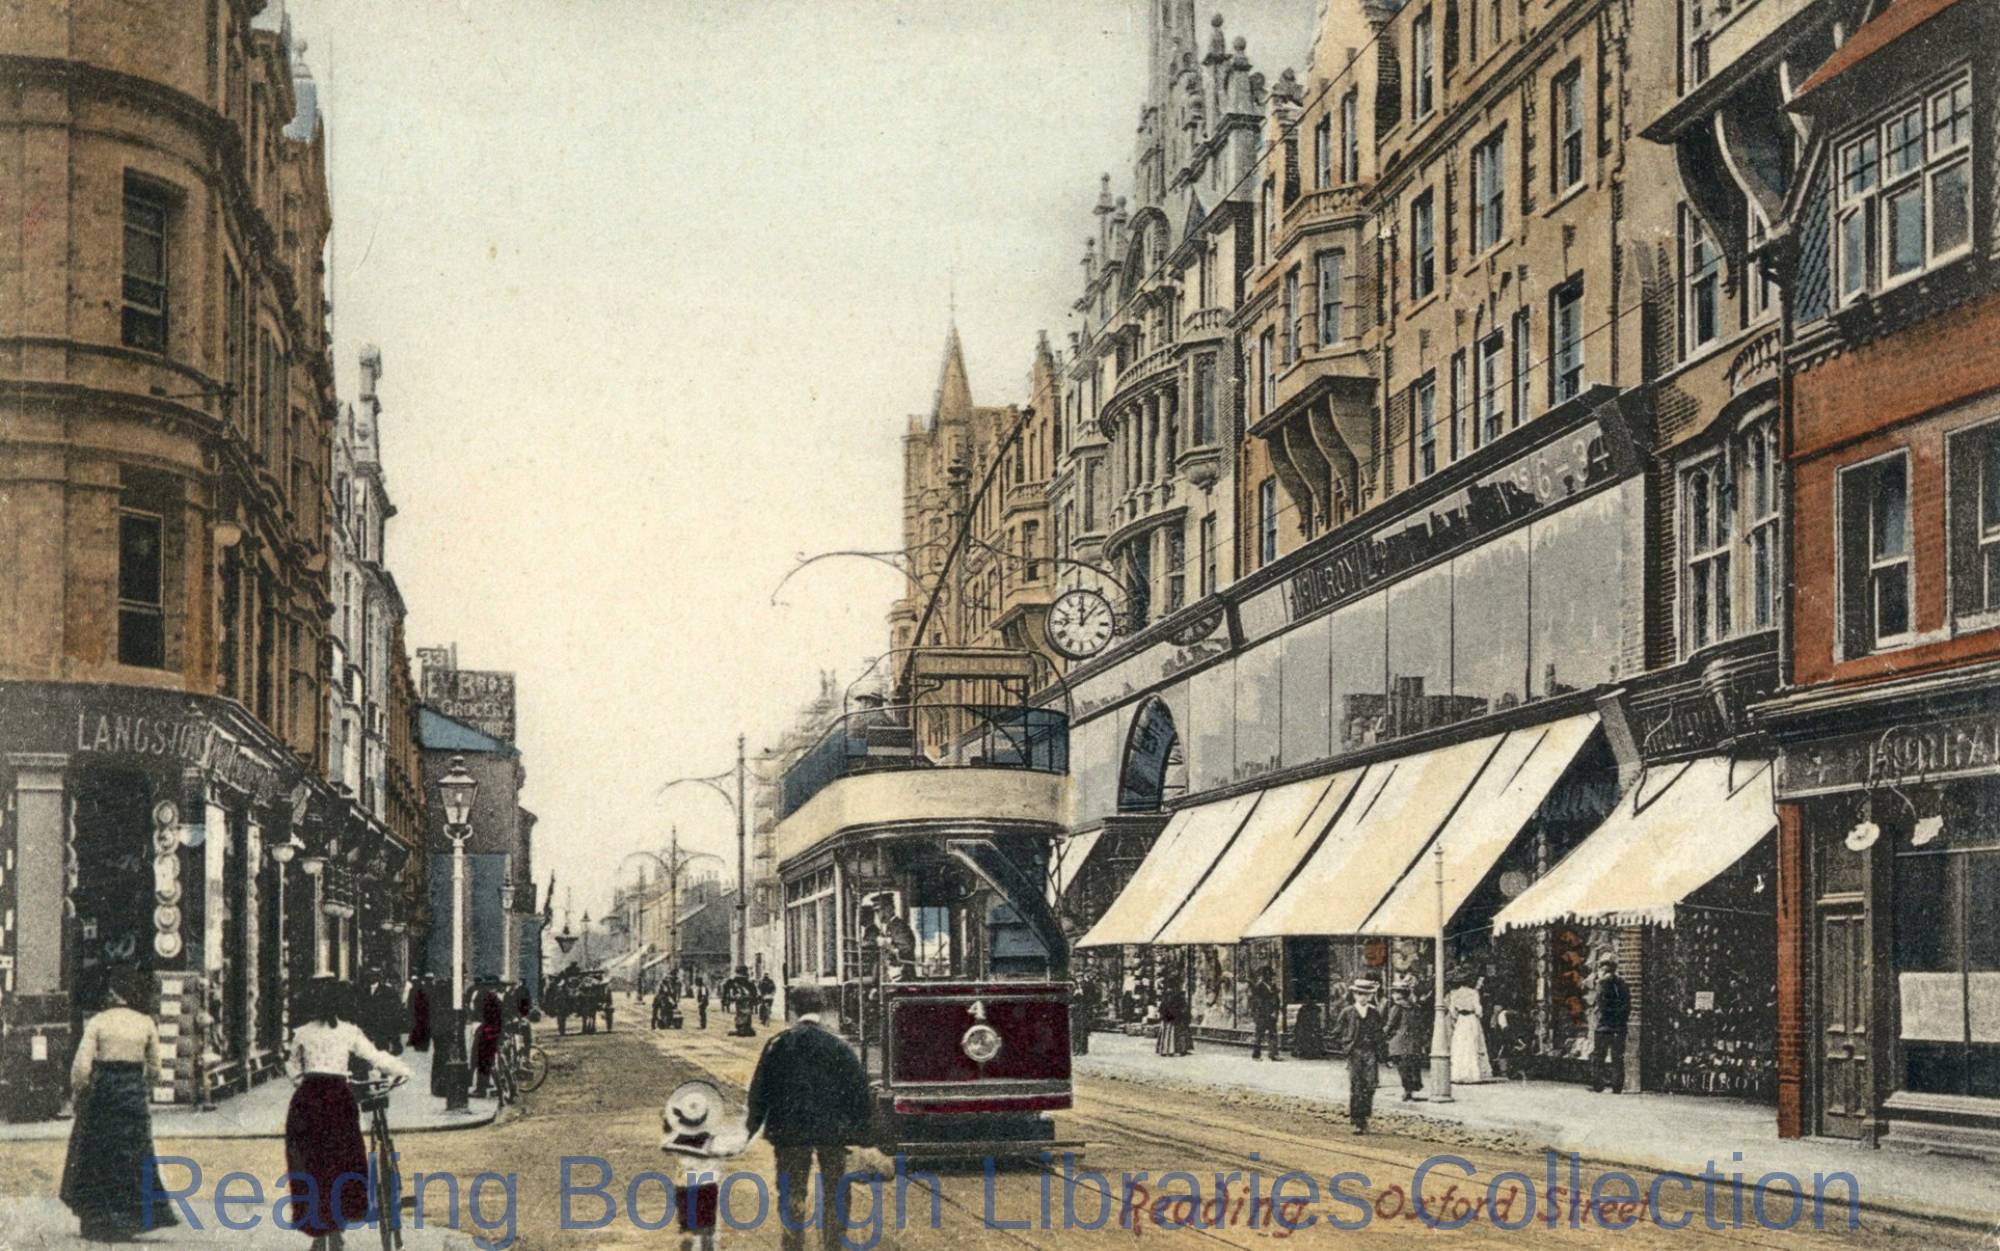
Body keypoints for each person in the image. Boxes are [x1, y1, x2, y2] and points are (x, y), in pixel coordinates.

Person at [285, 977, 412, 1250]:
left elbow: (292, 1066)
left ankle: (319, 1230)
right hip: (338, 1100)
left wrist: (302, 1082)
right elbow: (376, 1057)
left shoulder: (301, 1033)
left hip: (307, 1102)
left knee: (311, 1163)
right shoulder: (349, 1032)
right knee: (342, 1162)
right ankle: (337, 1225)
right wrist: (402, 1070)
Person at [743, 984, 873, 1251]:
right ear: (822, 1008)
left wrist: (751, 1127)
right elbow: (859, 1091)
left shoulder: (778, 1044)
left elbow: (760, 1090)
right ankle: (833, 1245)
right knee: (836, 1189)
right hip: (832, 1131)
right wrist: (863, 1134)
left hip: (789, 1132)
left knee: (792, 1190)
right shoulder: (838, 1044)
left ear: (793, 1008)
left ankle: (793, 1245)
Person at [61, 966, 177, 1242]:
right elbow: (156, 1069)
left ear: (113, 993)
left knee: (96, 1153)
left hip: (103, 1093)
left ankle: (97, 1218)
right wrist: (141, 1089)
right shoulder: (145, 1023)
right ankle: (132, 1218)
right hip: (132, 1092)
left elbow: (81, 1067)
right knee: (134, 1155)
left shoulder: (98, 1022)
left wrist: (78, 1093)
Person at [1329, 976, 1388, 1134]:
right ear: (1354, 995)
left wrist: (1384, 1055)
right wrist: (1345, 1046)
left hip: (1370, 1052)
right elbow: (1336, 1032)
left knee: (1370, 1084)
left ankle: (1365, 1116)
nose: (1363, 997)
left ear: (1370, 996)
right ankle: (1358, 1120)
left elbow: (1379, 1034)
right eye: (1360, 994)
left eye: (1366, 994)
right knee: (1357, 1085)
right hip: (1355, 1052)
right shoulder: (1348, 1012)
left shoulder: (1374, 1013)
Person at [1589, 955, 1631, 1093]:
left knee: (1599, 1056)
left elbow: (1600, 1003)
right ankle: (1617, 1086)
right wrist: (1622, 1019)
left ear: (1603, 969)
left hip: (1604, 1025)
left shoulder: (1602, 983)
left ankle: (1597, 1084)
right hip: (1619, 1025)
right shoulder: (1622, 984)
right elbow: (1627, 1005)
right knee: (1617, 1056)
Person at [1384, 976, 1427, 1101]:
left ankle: (1407, 1091)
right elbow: (1420, 1025)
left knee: (1403, 1068)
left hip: (1400, 1042)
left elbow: (1390, 1025)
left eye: (1394, 992)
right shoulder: (1415, 1007)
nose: (1393, 995)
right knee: (1413, 1067)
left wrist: (1382, 1035)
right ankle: (1411, 1090)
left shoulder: (1396, 1008)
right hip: (1414, 1042)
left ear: (1399, 994)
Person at [1448, 975, 1493, 1083]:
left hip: (1461, 1020)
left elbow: (1452, 1010)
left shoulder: (1454, 993)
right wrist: (1479, 1014)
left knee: (1460, 1045)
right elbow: (1478, 1009)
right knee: (1472, 1044)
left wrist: (1456, 1017)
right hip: (1471, 1019)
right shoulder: (1473, 993)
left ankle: (1458, 1074)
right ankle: (1472, 1074)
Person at [472, 986, 504, 1097]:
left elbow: (480, 1013)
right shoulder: (497, 999)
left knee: (483, 1060)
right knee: (491, 1060)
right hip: (496, 1032)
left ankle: (481, 1089)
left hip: (487, 1032)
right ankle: (495, 1086)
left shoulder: (485, 997)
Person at [1248, 965, 1282, 1061]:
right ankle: (1256, 1055)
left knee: (1273, 1034)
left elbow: (1276, 1000)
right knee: (1259, 1035)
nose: (1270, 977)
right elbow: (1258, 1002)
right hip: (1262, 1014)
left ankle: (1273, 1054)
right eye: (1268, 975)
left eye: (1271, 975)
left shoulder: (1272, 986)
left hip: (1271, 1013)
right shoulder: (1259, 986)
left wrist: (1275, 1010)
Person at [724, 966, 758, 1037]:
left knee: (741, 1014)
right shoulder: (748, 981)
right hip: (746, 999)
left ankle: (743, 1029)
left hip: (742, 999)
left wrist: (728, 998)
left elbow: (726, 987)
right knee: (744, 1013)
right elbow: (754, 991)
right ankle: (744, 1029)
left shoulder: (734, 980)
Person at [406, 976, 431, 1051]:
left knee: (418, 1028)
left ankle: (419, 1045)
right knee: (421, 1029)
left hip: (418, 1013)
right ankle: (422, 1045)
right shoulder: (423, 989)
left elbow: (410, 1002)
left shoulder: (413, 990)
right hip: (421, 1013)